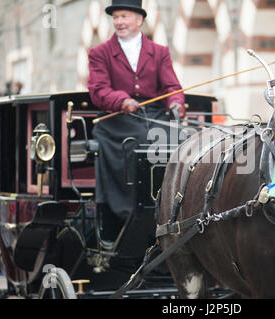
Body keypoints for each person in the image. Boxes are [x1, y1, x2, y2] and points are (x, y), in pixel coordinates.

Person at [87, 0, 185, 242]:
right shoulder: (99, 53)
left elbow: (172, 86)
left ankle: (179, 204)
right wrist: (121, 100)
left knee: (185, 140)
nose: (119, 22)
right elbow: (98, 89)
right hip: (117, 120)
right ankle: (133, 208)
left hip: (154, 116)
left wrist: (175, 103)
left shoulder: (159, 52)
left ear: (139, 20)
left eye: (124, 16)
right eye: (116, 17)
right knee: (142, 139)